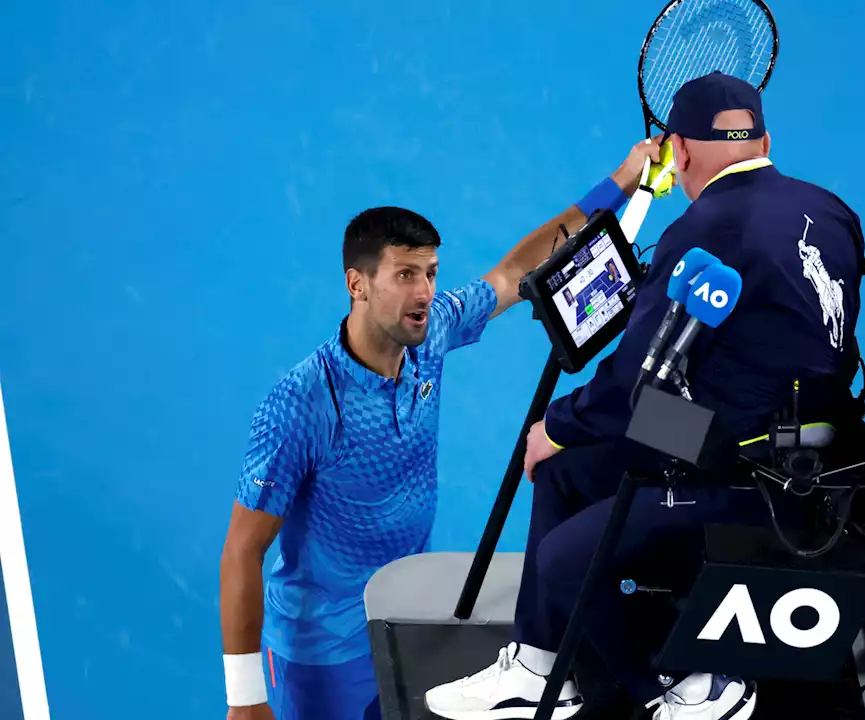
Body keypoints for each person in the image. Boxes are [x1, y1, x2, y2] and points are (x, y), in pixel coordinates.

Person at [424, 71, 865, 720]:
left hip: (741, 462)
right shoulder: (832, 211)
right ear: (763, 138)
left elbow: (634, 384)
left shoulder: (704, 229)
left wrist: (558, 422)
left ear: (680, 154)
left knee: (563, 555)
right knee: (568, 471)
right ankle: (538, 664)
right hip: (793, 437)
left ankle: (693, 687)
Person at [218, 139, 663, 720]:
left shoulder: (431, 336)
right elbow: (242, 551)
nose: (425, 293)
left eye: (430, 273)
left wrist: (621, 182)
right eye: (405, 275)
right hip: (321, 652)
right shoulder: (301, 404)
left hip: (402, 610)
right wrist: (245, 698)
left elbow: (513, 270)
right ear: (357, 284)